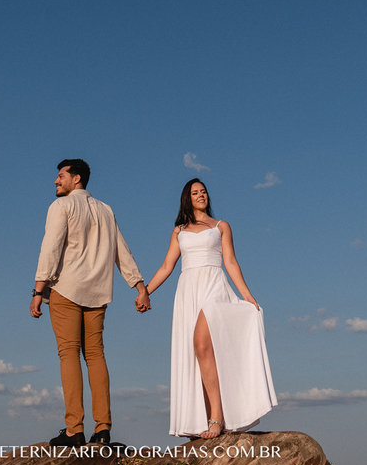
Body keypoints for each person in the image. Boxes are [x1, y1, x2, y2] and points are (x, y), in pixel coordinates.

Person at [137, 178, 276, 438]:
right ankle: (202, 416)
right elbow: (167, 266)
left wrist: (247, 296)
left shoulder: (221, 226)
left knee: (201, 344)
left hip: (214, 286)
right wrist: (145, 291)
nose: (201, 195)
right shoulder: (179, 231)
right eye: (195, 192)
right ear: (187, 198)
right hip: (188, 290)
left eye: (203, 191)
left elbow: (231, 262)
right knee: (197, 355)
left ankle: (217, 417)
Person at [31, 159, 148, 448]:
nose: (56, 182)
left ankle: (74, 430)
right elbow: (122, 249)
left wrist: (37, 289)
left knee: (69, 354)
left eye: (60, 176)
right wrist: (139, 286)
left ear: (76, 178)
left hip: (66, 290)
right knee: (95, 356)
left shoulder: (61, 206)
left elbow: (51, 247)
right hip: (98, 293)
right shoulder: (106, 210)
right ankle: (104, 430)